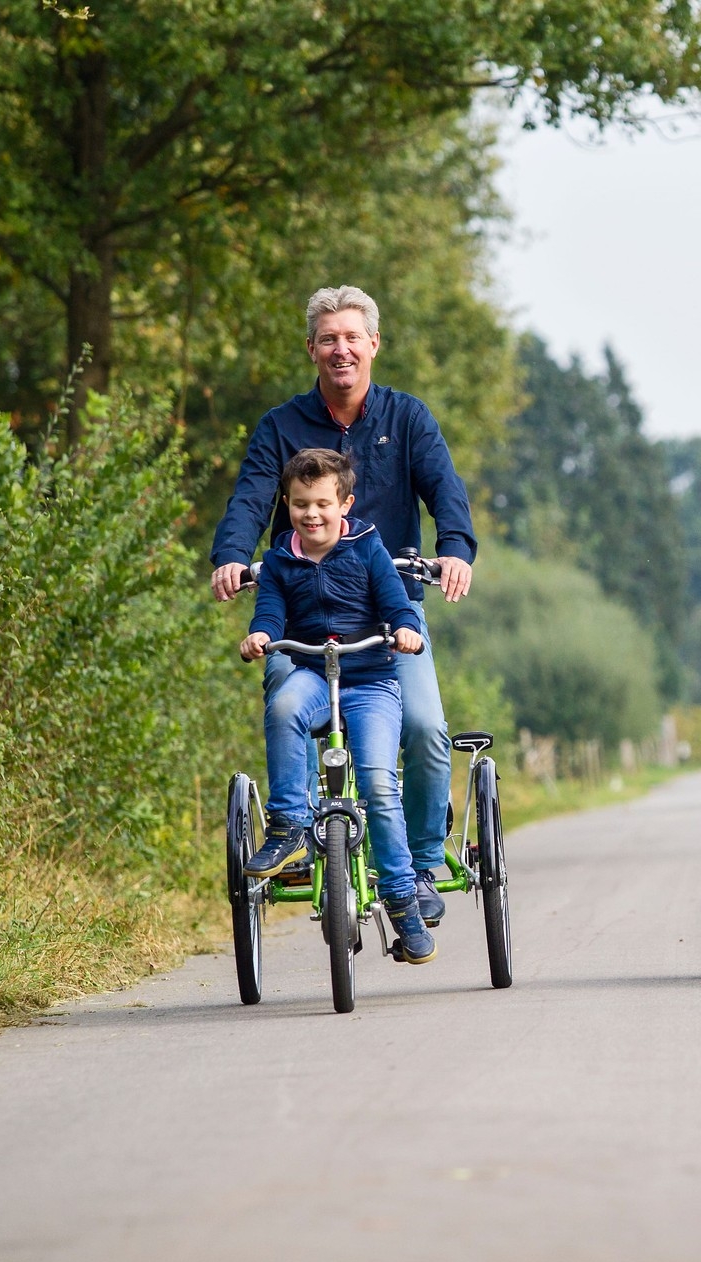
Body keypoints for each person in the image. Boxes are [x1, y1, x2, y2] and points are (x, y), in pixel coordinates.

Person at [210, 285, 476, 927]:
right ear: (311, 348)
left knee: (426, 729)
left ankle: (418, 863)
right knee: (286, 701)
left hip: (390, 615)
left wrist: (454, 550)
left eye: (353, 337)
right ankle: (297, 833)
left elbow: (445, 488)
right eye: (329, 339)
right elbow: (251, 497)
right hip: (300, 618)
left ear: (374, 343)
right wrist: (233, 555)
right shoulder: (281, 427)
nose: (342, 350)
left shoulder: (407, 418)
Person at [239, 449, 436, 963]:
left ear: (344, 504)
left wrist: (407, 629)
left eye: (322, 504)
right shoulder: (280, 559)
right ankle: (288, 825)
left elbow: (395, 602)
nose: (311, 514)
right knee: (283, 708)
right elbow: (271, 611)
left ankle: (402, 901)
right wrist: (261, 634)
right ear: (287, 504)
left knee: (378, 785)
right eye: (300, 504)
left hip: (370, 682)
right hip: (312, 673)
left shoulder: (368, 547)